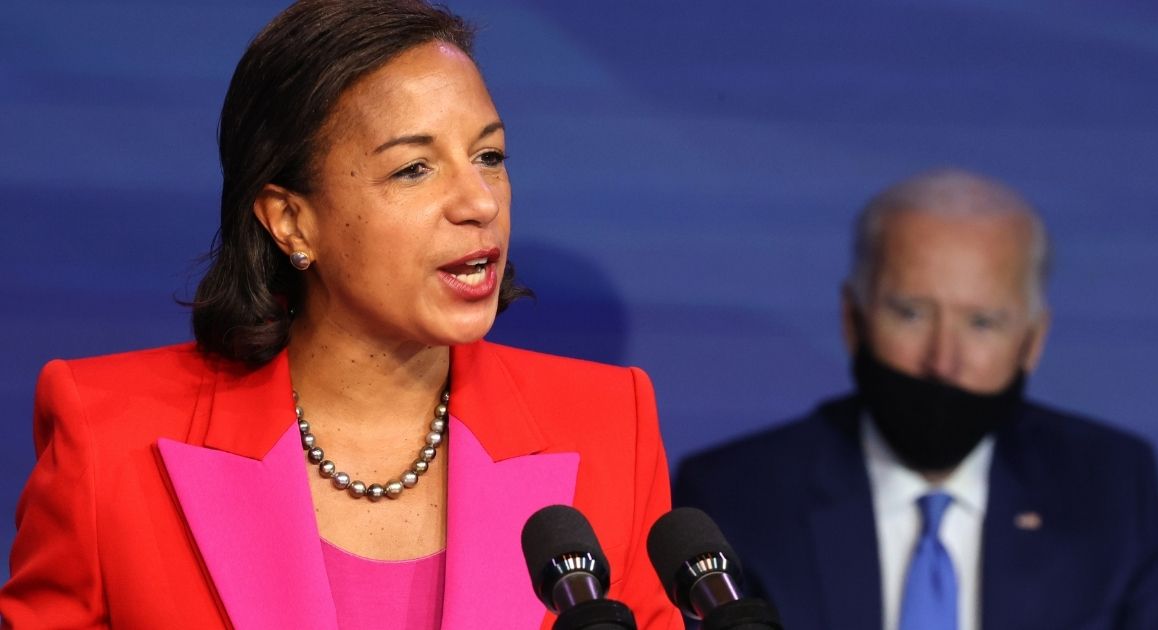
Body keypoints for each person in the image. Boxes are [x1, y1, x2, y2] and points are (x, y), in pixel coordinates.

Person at [0, 2, 682, 628]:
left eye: (489, 156)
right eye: (414, 169)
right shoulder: (110, 437)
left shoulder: (608, 425)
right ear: (292, 221)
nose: (479, 201)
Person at [673, 169, 1158, 630]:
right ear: (852, 319)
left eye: (982, 322)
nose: (943, 361)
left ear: (1032, 341)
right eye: (912, 314)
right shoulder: (737, 497)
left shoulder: (1108, 488)